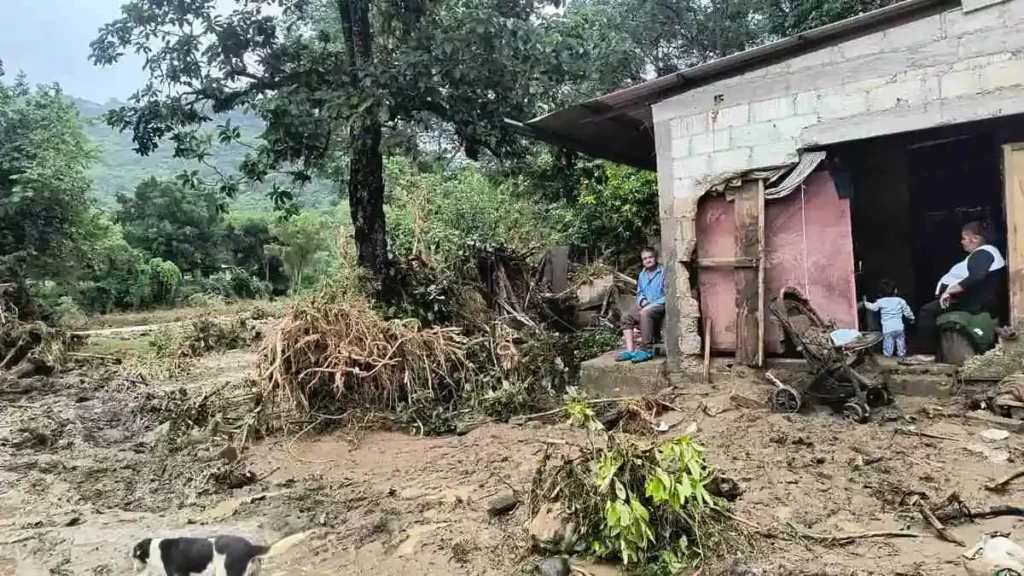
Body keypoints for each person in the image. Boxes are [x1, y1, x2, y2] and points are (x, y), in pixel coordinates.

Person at [917, 220, 1006, 352]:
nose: (962, 242)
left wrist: (950, 291)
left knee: (927, 312)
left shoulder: (983, 253)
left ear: (975, 239)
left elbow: (977, 276)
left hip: (975, 302)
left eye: (964, 238)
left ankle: (926, 353)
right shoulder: (985, 253)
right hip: (976, 299)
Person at [617, 247, 665, 363]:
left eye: (650, 257)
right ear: (642, 261)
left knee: (645, 313)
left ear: (655, 258)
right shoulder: (642, 275)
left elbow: (668, 294)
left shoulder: (663, 272)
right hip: (646, 305)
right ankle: (630, 351)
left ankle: (646, 350)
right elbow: (640, 293)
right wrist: (642, 301)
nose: (648, 260)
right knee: (626, 316)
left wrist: (652, 305)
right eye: (645, 258)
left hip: (661, 305)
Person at [861, 279, 914, 357]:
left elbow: (873, 307)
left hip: (887, 329)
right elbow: (907, 311)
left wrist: (865, 302)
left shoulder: (880, 301)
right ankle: (902, 354)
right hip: (899, 327)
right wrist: (912, 318)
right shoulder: (900, 301)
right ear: (895, 291)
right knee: (901, 342)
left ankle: (887, 355)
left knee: (888, 343)